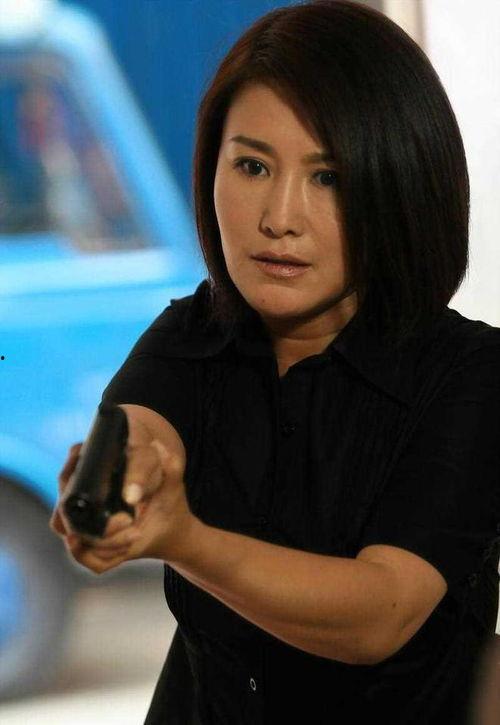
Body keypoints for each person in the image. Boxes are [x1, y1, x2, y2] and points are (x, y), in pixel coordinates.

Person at [50, 1, 500, 723]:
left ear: (401, 185)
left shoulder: (470, 376)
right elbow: (145, 437)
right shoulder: (191, 334)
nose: (279, 218)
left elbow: (380, 612)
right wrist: (120, 484)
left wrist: (185, 538)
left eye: (329, 178)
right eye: (253, 166)